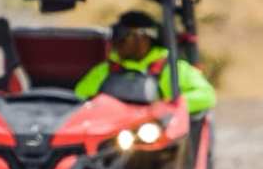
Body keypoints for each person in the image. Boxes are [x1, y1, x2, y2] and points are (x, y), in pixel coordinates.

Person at [74, 10, 216, 117]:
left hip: (156, 140)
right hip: (109, 138)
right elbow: (78, 97)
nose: (115, 43)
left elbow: (206, 95)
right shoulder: (105, 70)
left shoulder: (172, 69)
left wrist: (168, 106)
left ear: (142, 38)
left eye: (122, 37)